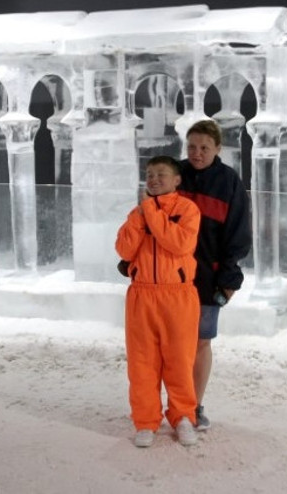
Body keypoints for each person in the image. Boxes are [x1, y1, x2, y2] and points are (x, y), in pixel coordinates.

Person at [115, 155, 201, 448]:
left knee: (179, 361)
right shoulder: (138, 212)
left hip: (178, 295)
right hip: (141, 296)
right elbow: (124, 250)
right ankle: (145, 421)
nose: (153, 179)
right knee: (142, 363)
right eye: (150, 174)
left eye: (160, 174)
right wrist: (142, 216)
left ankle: (183, 417)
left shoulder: (187, 210)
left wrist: (150, 210)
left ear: (176, 180)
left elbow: (180, 243)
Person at [178, 119, 252, 431]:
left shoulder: (229, 183)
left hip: (208, 279)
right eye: (192, 146)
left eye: (204, 148)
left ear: (218, 149)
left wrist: (229, 279)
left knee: (200, 343)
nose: (197, 153)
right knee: (172, 345)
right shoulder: (174, 174)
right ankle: (174, 405)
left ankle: (193, 406)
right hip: (171, 279)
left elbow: (238, 235)